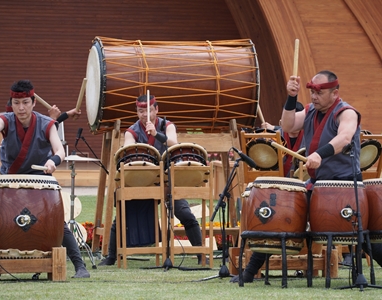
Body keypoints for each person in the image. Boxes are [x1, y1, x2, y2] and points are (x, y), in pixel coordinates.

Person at [232, 70, 382, 284]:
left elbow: (345, 138)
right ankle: (248, 273)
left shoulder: (346, 112)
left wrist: (320, 154)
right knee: (280, 216)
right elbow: (288, 125)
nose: (313, 97)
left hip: (346, 185)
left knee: (361, 235)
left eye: (319, 93)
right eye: (311, 92)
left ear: (334, 93)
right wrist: (291, 97)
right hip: (317, 184)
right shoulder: (311, 111)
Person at [0, 80, 89, 279]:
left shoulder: (46, 123)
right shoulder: (6, 119)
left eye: (25, 102)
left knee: (58, 224)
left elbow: (59, 150)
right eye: (17, 103)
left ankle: (79, 266)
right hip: (8, 181)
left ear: (33, 103)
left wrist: (52, 161)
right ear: (12, 104)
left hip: (39, 181)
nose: (21, 108)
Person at [98, 94, 206, 266]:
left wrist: (157, 134)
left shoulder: (167, 125)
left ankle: (201, 254)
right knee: (123, 214)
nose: (144, 114)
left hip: (168, 179)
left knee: (184, 212)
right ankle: (112, 256)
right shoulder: (132, 131)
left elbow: (174, 144)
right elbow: (128, 149)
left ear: (156, 110)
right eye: (141, 111)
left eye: (148, 110)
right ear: (137, 112)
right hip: (144, 179)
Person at [230, 103, 305, 283]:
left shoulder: (310, 137)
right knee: (268, 220)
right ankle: (249, 272)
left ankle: (350, 255)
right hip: (279, 196)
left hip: (305, 191)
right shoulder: (276, 136)